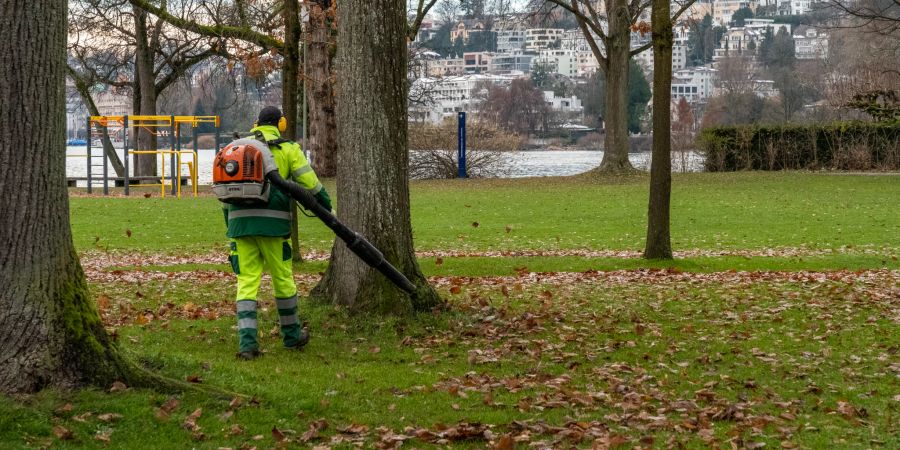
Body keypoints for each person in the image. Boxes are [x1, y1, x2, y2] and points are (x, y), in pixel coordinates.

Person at [224, 106, 332, 360]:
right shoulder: (287, 148)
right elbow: (310, 183)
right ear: (281, 124)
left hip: (240, 226)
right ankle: (292, 336)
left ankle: (247, 345)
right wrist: (327, 207)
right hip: (273, 225)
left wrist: (232, 226)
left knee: (246, 283)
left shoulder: (238, 148)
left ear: (256, 123)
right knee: (283, 279)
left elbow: (225, 194)